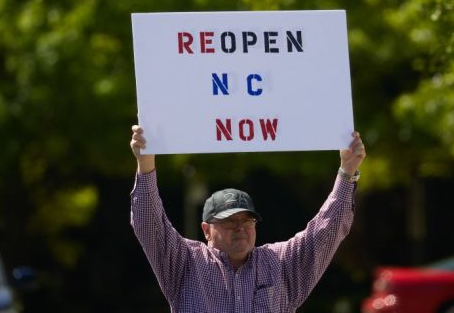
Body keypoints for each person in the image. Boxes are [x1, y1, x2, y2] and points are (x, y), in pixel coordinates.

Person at [129, 125, 366, 313]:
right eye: (229, 221)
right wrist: (145, 164)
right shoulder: (186, 263)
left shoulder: (279, 262)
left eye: (247, 220)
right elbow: (149, 223)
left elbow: (327, 230)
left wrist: (347, 172)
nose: (240, 227)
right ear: (206, 230)